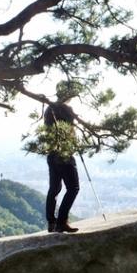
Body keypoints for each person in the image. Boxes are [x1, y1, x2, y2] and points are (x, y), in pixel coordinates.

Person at [43, 81, 81, 233]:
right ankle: (62, 222)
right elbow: (71, 130)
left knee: (55, 188)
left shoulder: (48, 109)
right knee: (73, 188)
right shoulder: (66, 109)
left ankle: (51, 222)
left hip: (51, 153)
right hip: (64, 154)